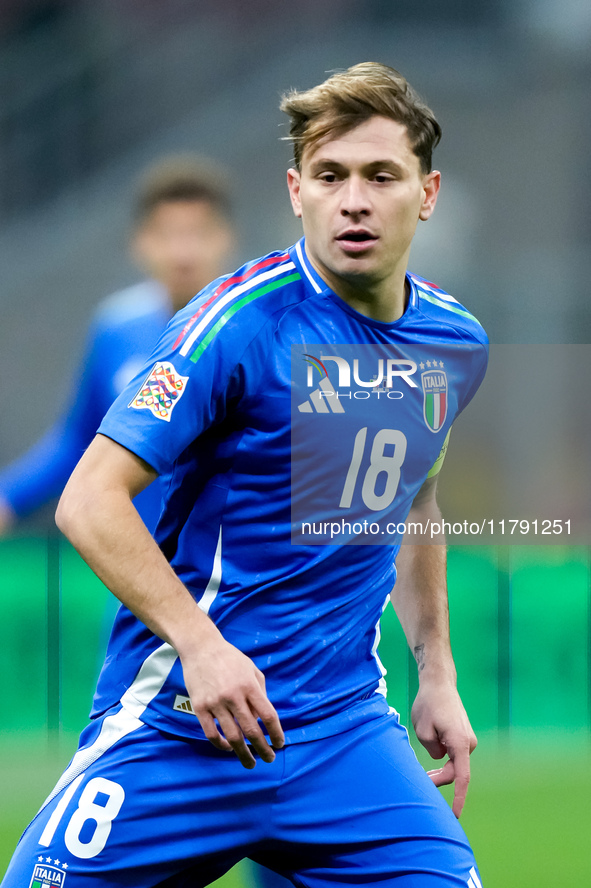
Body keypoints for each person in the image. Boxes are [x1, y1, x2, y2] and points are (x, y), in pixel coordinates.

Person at [2, 62, 488, 888]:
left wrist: (435, 675)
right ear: (296, 191)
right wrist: (202, 646)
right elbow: (88, 499)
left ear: (428, 191)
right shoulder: (234, 324)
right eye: (330, 176)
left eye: (381, 175)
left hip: (341, 733)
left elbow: (416, 502)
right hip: (184, 722)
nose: (354, 200)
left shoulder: (453, 343)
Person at [0, 155, 235, 535]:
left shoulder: (259, 333)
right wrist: (8, 498)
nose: (183, 253)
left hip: (225, 584)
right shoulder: (117, 330)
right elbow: (79, 441)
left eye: (198, 233)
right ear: (140, 242)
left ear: (225, 237)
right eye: (167, 235)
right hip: (133, 577)